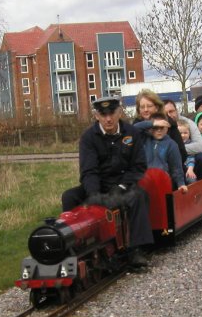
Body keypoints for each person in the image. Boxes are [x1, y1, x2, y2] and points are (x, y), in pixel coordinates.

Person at [61, 96, 152, 267]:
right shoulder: (88, 137)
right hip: (97, 185)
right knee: (69, 197)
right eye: (103, 115)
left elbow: (139, 167)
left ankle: (136, 250)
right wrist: (94, 195)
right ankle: (73, 247)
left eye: (111, 113)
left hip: (123, 184)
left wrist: (121, 187)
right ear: (96, 116)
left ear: (119, 113)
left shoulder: (132, 133)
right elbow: (88, 170)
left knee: (139, 196)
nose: (108, 119)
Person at [135, 112, 189, 194]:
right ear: (150, 128)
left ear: (167, 128)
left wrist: (181, 183)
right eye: (155, 127)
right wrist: (152, 123)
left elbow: (176, 167)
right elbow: (133, 129)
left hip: (161, 182)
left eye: (162, 127)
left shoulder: (171, 144)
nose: (159, 130)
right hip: (144, 181)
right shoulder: (144, 138)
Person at [163, 99, 202, 180]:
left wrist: (175, 150)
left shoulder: (187, 122)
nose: (169, 115)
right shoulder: (160, 126)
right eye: (165, 113)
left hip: (189, 158)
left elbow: (200, 146)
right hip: (171, 162)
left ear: (176, 111)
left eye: (171, 111)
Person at [135, 90, 187, 163]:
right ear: (138, 109)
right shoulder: (136, 127)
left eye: (149, 106)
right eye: (142, 107)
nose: (145, 110)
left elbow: (182, 154)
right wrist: (152, 123)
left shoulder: (170, 124)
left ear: (157, 107)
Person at [177, 118, 198, 184]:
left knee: (192, 179)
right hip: (177, 169)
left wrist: (190, 168)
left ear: (189, 133)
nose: (183, 135)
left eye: (185, 133)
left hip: (188, 167)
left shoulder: (190, 144)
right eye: (180, 133)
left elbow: (191, 157)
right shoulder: (174, 143)